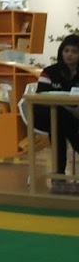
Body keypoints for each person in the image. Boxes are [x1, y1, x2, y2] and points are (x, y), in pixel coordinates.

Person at [36, 35, 79, 175]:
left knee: (60, 126)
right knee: (60, 118)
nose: (69, 55)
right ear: (61, 52)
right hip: (47, 115)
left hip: (71, 117)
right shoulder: (49, 72)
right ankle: (59, 175)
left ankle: (59, 175)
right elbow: (40, 96)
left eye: (74, 51)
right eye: (66, 50)